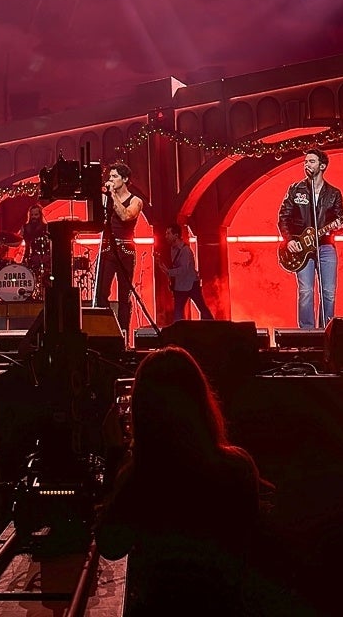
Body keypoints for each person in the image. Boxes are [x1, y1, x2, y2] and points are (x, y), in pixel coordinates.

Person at [95, 345, 264, 614]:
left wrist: (115, 455)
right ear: (200, 402)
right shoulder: (238, 467)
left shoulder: (142, 480)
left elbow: (110, 545)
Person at [278, 147, 343, 329]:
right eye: (306, 161)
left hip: (325, 246)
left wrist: (339, 226)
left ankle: (327, 330)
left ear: (322, 166)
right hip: (302, 247)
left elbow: (342, 222)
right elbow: (284, 217)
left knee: (328, 292)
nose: (307, 164)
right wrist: (289, 240)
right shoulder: (296, 190)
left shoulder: (334, 193)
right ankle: (306, 332)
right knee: (306, 291)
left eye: (312, 161)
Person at [93, 162, 142, 338]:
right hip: (107, 249)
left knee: (123, 296)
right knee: (101, 294)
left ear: (125, 179)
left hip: (125, 251)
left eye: (114, 176)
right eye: (110, 177)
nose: (111, 180)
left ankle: (123, 334)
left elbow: (126, 215)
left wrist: (113, 195)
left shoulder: (135, 201)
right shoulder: (106, 198)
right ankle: (105, 332)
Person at [160, 223, 214, 322]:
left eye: (168, 233)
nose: (166, 236)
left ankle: (212, 325)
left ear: (176, 235)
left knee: (201, 308)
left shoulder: (185, 251)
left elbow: (183, 269)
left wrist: (169, 272)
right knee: (179, 311)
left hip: (191, 284)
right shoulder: (173, 249)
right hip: (180, 285)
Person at [21, 203, 50, 272]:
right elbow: (21, 241)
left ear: (40, 215)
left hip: (43, 257)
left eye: (36, 214)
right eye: (32, 215)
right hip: (28, 256)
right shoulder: (25, 227)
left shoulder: (45, 227)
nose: (33, 217)